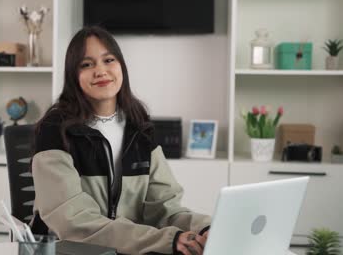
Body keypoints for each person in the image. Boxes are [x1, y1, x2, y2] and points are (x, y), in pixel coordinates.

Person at [31, 26, 211, 255]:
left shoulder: (139, 127)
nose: (100, 71)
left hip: (126, 249)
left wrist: (205, 227)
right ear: (73, 76)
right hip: (66, 250)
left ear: (121, 67)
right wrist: (167, 240)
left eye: (108, 60)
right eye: (86, 64)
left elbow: (165, 209)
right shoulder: (55, 129)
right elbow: (73, 222)